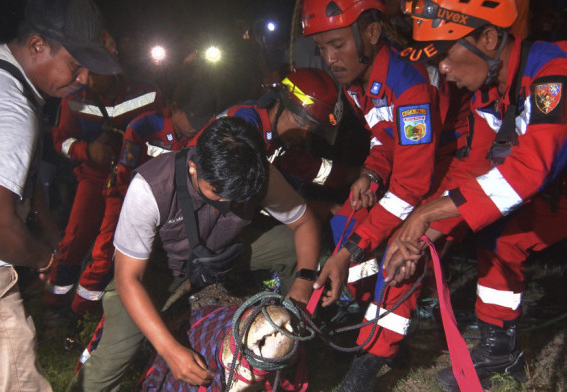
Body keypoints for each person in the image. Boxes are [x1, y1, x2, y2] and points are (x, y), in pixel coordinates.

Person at [380, 0, 567, 390]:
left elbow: (528, 172)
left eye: (446, 53)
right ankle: (499, 354)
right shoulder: (493, 92)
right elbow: (474, 172)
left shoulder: (555, 74)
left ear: (489, 38)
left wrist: (423, 216)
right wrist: (420, 240)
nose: (442, 68)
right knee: (501, 236)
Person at [0, 0, 121, 389]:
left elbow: (12, 177)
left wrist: (46, 225)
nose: (84, 78)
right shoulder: (8, 106)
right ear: (36, 45)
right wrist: (43, 257)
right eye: (75, 65)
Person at [68, 116, 321, 391]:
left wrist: (304, 281)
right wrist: (169, 350)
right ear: (192, 167)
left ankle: (286, 339)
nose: (229, 203)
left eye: (239, 197)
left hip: (222, 252)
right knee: (110, 361)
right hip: (157, 271)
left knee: (295, 250)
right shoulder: (150, 188)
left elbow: (305, 222)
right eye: (218, 193)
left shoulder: (257, 173)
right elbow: (128, 279)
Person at [299, 0, 450, 389]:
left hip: (447, 170)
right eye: (322, 49)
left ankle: (372, 357)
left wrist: (349, 251)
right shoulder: (359, 83)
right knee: (347, 215)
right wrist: (370, 172)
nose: (330, 59)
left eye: (337, 44)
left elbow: (413, 187)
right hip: (414, 168)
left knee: (401, 256)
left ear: (370, 33)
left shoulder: (409, 83)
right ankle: (355, 310)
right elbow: (386, 142)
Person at [60, 75, 219, 350]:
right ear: (174, 106)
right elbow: (125, 179)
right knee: (106, 255)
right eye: (193, 116)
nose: (198, 124)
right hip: (126, 198)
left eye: (204, 116)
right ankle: (79, 316)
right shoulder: (144, 127)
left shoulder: (205, 130)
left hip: (173, 210)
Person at [45, 65, 163, 321]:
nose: (88, 79)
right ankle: (54, 304)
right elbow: (61, 141)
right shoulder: (74, 98)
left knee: (107, 248)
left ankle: (82, 312)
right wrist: (86, 151)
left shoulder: (148, 92)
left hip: (129, 182)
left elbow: (163, 136)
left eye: (94, 71)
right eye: (82, 71)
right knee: (74, 240)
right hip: (92, 177)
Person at [206, 67, 358, 221]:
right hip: (206, 216)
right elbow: (252, 198)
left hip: (225, 218)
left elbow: (310, 168)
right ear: (281, 105)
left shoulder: (278, 142)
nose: (304, 134)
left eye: (312, 129)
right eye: (300, 122)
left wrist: (362, 175)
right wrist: (322, 208)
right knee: (292, 238)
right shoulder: (244, 127)